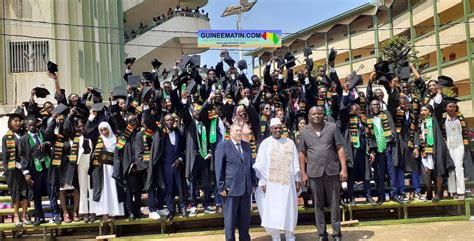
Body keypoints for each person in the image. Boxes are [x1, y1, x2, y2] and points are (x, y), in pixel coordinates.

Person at [298, 106, 347, 241]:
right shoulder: (303, 132)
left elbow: (340, 147)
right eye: (313, 114)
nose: (316, 116)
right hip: (314, 173)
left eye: (319, 113)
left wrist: (343, 168)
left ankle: (336, 233)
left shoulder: (332, 127)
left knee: (334, 203)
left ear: (323, 115)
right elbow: (301, 153)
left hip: (332, 171)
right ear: (309, 116)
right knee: (318, 204)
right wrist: (303, 173)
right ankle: (322, 234)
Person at [253, 118, 301, 241]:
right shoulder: (265, 144)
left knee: (289, 209)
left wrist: (297, 180)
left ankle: (289, 235)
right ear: (271, 129)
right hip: (272, 185)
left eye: (280, 128)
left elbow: (295, 162)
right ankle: (276, 236)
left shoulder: (290, 142)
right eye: (275, 128)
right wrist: (263, 182)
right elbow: (260, 164)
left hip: (288, 184)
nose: (278, 130)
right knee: (273, 210)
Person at [215, 124, 256, 241]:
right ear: (231, 132)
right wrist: (221, 187)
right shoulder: (223, 146)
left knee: (245, 219)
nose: (239, 132)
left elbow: (250, 166)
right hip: (230, 190)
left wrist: (253, 183)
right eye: (236, 130)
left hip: (246, 189)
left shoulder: (247, 146)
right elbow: (219, 168)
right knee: (230, 220)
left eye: (240, 130)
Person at [19, 116, 61, 225]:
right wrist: (26, 173)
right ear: (26, 126)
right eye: (29, 125)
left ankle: (56, 215)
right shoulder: (23, 139)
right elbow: (22, 156)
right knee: (36, 194)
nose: (32, 127)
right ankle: (39, 217)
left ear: (37, 124)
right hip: (34, 169)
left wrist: (47, 143)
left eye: (34, 124)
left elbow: (52, 141)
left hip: (47, 168)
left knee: (52, 192)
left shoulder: (43, 134)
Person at [2, 108, 32, 228]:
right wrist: (21, 167)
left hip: (25, 170)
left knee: (25, 193)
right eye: (15, 121)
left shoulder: (23, 136)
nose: (18, 123)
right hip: (13, 170)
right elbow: (7, 157)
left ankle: (24, 216)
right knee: (16, 194)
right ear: (10, 123)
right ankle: (15, 216)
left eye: (19, 121)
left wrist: (25, 169)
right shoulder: (6, 137)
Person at [442, 97, 474, 200]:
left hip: (459, 144)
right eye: (450, 106)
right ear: (446, 108)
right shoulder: (443, 118)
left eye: (454, 106)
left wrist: (466, 145)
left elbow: (464, 132)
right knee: (451, 168)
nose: (452, 108)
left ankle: (461, 191)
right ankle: (453, 190)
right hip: (449, 145)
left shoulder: (460, 117)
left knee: (459, 166)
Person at [93, 122, 124, 221]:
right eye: (101, 130)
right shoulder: (100, 140)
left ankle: (114, 212)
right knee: (104, 189)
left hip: (114, 167)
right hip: (103, 169)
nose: (104, 132)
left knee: (114, 189)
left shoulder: (116, 138)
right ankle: (105, 213)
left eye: (105, 129)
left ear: (109, 129)